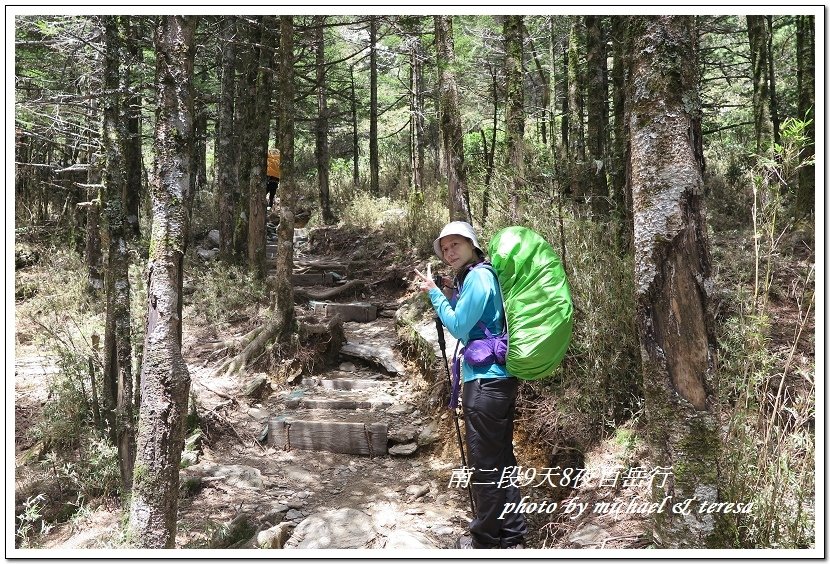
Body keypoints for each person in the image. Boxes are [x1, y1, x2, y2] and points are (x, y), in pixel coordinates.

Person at [414, 221, 528, 550]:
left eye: (455, 245)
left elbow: (461, 327)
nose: (449, 252)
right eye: (444, 248)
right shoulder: (481, 275)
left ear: (472, 244)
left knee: (485, 467)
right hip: (499, 381)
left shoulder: (478, 277)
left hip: (484, 384)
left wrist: (435, 295)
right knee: (502, 459)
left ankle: (485, 542)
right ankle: (512, 535)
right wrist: (450, 292)